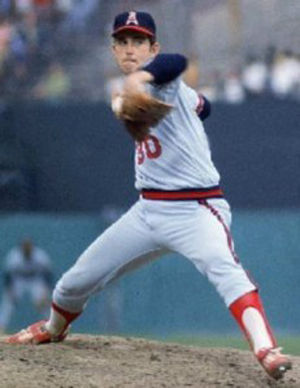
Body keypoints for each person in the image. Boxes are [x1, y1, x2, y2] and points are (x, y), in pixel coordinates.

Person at [5, 11, 292, 381]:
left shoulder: (163, 79)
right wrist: (195, 105)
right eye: (122, 42)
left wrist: (144, 78)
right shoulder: (136, 93)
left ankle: (266, 350)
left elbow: (178, 62)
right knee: (72, 283)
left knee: (227, 272)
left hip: (196, 210)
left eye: (138, 41)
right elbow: (205, 107)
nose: (130, 49)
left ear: (152, 48)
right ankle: (54, 327)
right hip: (148, 211)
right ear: (112, 49)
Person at [0, 238, 53, 332]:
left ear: (32, 248)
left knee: (42, 302)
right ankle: (1, 326)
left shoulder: (40, 256)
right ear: (21, 248)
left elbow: (47, 275)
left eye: (29, 247)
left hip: (36, 280)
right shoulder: (14, 256)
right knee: (8, 301)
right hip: (18, 280)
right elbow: (8, 276)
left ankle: (53, 325)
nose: (27, 249)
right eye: (25, 248)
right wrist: (10, 291)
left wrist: (46, 292)